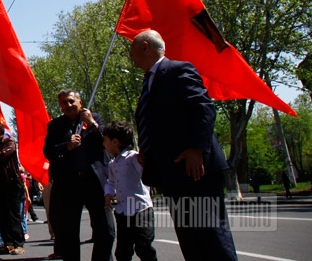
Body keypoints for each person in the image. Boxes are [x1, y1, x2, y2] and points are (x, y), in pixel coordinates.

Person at [130, 29, 237, 260]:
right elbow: (159, 124)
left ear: (146, 46)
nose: (130, 54)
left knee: (211, 238)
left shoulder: (177, 70)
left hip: (196, 171)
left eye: (132, 48)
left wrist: (197, 149)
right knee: (191, 242)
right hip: (174, 175)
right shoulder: (150, 81)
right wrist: (148, 153)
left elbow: (204, 108)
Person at [42, 89, 115, 261]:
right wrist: (66, 146)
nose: (68, 105)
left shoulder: (94, 119)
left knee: (106, 229)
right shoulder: (55, 126)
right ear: (60, 106)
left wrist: (92, 124)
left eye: (71, 101)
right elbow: (48, 151)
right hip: (69, 185)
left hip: (95, 182)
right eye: (64, 102)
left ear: (79, 102)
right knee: (68, 232)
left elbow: (107, 143)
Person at [102, 121, 157, 261]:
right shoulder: (112, 164)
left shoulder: (134, 158)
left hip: (140, 210)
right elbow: (111, 182)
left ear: (115, 142)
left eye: (105, 140)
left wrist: (146, 163)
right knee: (122, 251)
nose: (103, 144)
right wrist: (108, 193)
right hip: (122, 212)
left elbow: (145, 174)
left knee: (143, 247)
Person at [0, 122, 26, 255]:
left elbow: (1, 156)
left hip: (12, 183)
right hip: (0, 185)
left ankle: (19, 244)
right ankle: (8, 243)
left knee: (13, 215)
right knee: (3, 215)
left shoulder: (9, 143)